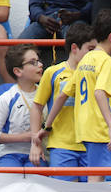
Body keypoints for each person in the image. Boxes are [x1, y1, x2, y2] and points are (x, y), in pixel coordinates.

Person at [61, 9, 111, 181]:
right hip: (98, 130)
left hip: (86, 128)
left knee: (103, 176)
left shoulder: (86, 58)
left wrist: (46, 126)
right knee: (99, 180)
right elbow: (99, 93)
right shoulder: (105, 60)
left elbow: (63, 95)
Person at [29, 22, 97, 176]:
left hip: (90, 145)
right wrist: (35, 143)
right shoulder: (53, 72)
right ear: (74, 48)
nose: (93, 55)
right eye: (90, 49)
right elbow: (37, 106)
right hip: (62, 145)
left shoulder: (96, 73)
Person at [0, 44, 45, 167]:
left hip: (39, 154)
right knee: (9, 178)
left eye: (39, 61)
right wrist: (25, 137)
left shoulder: (46, 95)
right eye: (33, 62)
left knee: (37, 179)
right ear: (18, 71)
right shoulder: (7, 98)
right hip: (10, 154)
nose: (40, 65)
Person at [19, 0, 92, 39]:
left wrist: (79, 15)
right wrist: (40, 17)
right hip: (46, 19)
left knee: (80, 45)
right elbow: (34, 5)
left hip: (74, 18)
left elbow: (92, 2)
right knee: (18, 47)